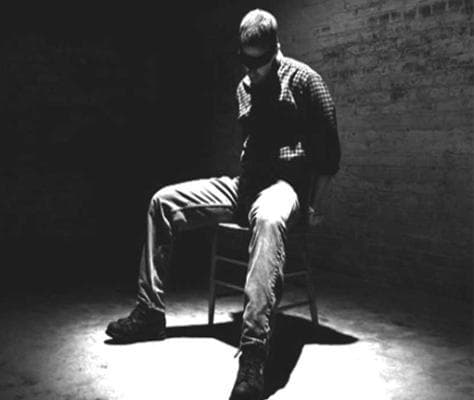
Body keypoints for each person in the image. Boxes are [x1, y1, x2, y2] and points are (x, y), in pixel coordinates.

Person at [105, 8, 340, 400]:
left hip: (286, 187)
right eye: (247, 61)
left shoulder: (305, 81)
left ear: (276, 49)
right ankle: (150, 313)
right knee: (162, 201)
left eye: (260, 62)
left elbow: (329, 157)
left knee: (268, 220)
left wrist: (311, 207)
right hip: (244, 186)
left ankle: (254, 353)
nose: (253, 70)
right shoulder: (243, 87)